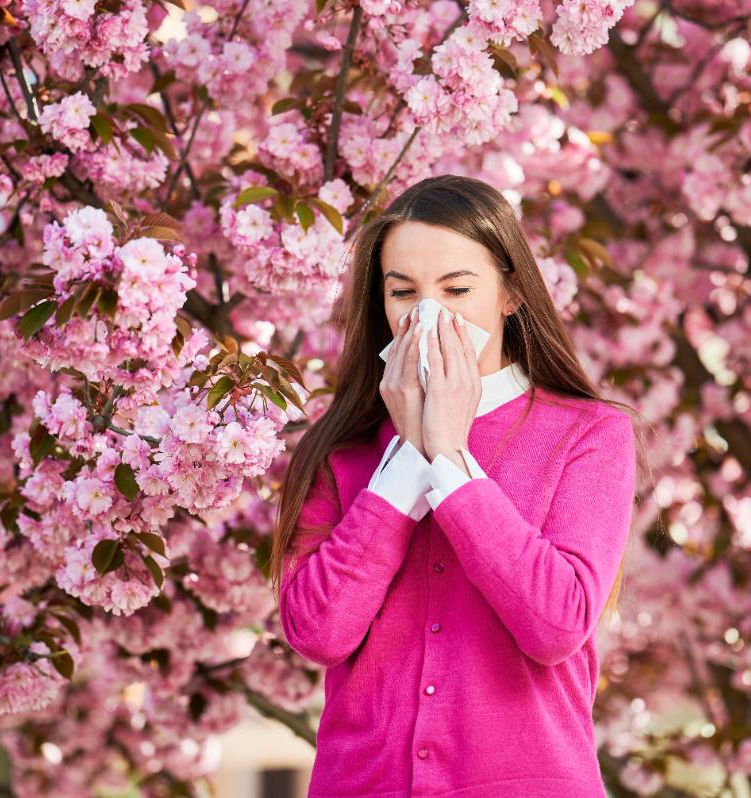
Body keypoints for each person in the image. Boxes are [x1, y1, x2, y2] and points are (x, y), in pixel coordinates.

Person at [270, 173, 640, 797]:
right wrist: (406, 462)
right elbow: (319, 633)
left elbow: (557, 624)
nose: (428, 313)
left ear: (510, 294)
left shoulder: (588, 434)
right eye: (404, 291)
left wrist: (448, 457)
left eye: (457, 288)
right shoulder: (339, 451)